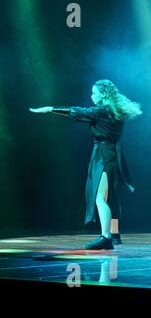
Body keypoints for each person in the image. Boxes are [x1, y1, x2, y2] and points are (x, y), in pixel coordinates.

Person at [30, 79, 142, 250]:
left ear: (103, 94)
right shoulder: (114, 111)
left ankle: (106, 237)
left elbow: (78, 112)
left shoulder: (101, 111)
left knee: (99, 197)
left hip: (103, 155)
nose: (91, 96)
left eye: (94, 93)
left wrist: (50, 109)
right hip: (111, 154)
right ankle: (115, 235)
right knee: (110, 197)